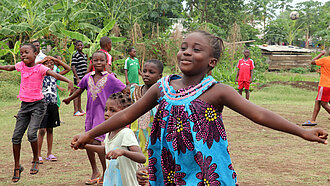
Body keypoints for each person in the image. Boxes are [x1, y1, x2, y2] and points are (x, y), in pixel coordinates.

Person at [71, 31, 328, 185]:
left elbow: (259, 114)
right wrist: (90, 134)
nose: (186, 52)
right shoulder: (162, 87)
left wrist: (301, 131)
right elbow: (128, 114)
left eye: (196, 49)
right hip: (168, 169)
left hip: (206, 171)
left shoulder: (218, 91)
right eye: (183, 48)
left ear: (212, 61)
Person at [0, 44, 74, 182]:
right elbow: (9, 67)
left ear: (35, 54)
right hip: (24, 106)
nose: (23, 55)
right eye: (21, 53)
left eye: (26, 52)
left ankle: (35, 158)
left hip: (38, 106)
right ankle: (17, 167)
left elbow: (55, 74)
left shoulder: (41, 68)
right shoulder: (21, 66)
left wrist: (69, 80)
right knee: (16, 137)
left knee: (31, 133)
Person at [63, 51, 126, 185]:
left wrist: (121, 108)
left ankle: (105, 172)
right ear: (91, 61)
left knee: (98, 144)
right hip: (90, 116)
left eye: (101, 61)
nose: (98, 63)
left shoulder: (111, 78)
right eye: (95, 60)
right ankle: (94, 170)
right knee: (87, 142)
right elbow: (79, 90)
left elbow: (124, 90)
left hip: (103, 117)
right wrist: (69, 99)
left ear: (106, 62)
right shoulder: (87, 77)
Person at [73, 92, 146, 185]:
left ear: (125, 113)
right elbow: (107, 149)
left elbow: (141, 158)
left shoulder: (126, 133)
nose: (107, 113)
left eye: (112, 110)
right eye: (106, 109)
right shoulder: (109, 132)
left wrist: (123, 152)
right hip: (112, 180)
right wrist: (86, 146)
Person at [36, 56, 71, 163]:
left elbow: (68, 69)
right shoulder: (39, 74)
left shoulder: (55, 75)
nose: (50, 65)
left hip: (53, 104)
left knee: (50, 129)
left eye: (52, 64)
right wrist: (42, 61)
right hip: (42, 104)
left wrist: (58, 61)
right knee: (42, 130)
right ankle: (38, 155)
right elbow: (33, 66)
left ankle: (49, 153)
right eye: (47, 63)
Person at [303, 49, 330, 126]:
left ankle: (312, 120)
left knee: (323, 103)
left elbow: (312, 61)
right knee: (318, 100)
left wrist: (321, 54)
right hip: (328, 85)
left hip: (325, 85)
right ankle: (312, 120)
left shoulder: (325, 59)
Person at [71, 40, 88, 116]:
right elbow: (73, 66)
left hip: (83, 77)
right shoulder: (75, 55)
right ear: (76, 46)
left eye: (81, 45)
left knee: (80, 93)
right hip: (78, 77)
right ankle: (75, 110)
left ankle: (80, 109)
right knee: (76, 93)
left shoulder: (84, 55)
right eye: (78, 45)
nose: (80, 46)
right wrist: (77, 78)